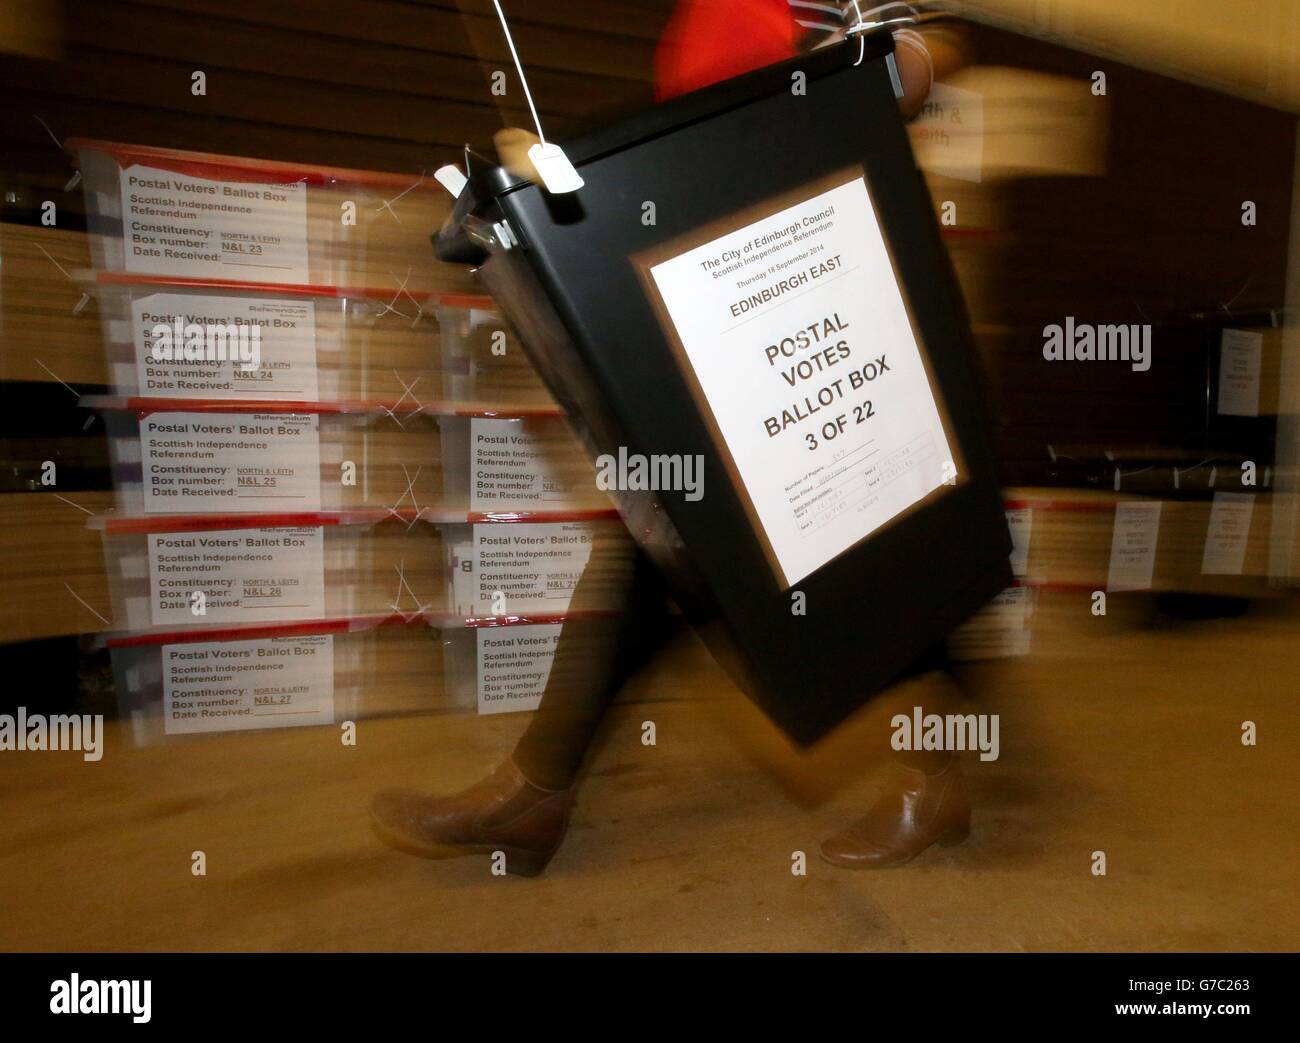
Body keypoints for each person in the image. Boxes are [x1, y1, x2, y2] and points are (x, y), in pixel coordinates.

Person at [371, 1, 976, 876]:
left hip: (817, 270)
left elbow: (934, 47)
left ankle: (538, 791)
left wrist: (859, 70)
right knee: (675, 531)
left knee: (863, 534)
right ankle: (537, 789)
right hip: (718, 275)